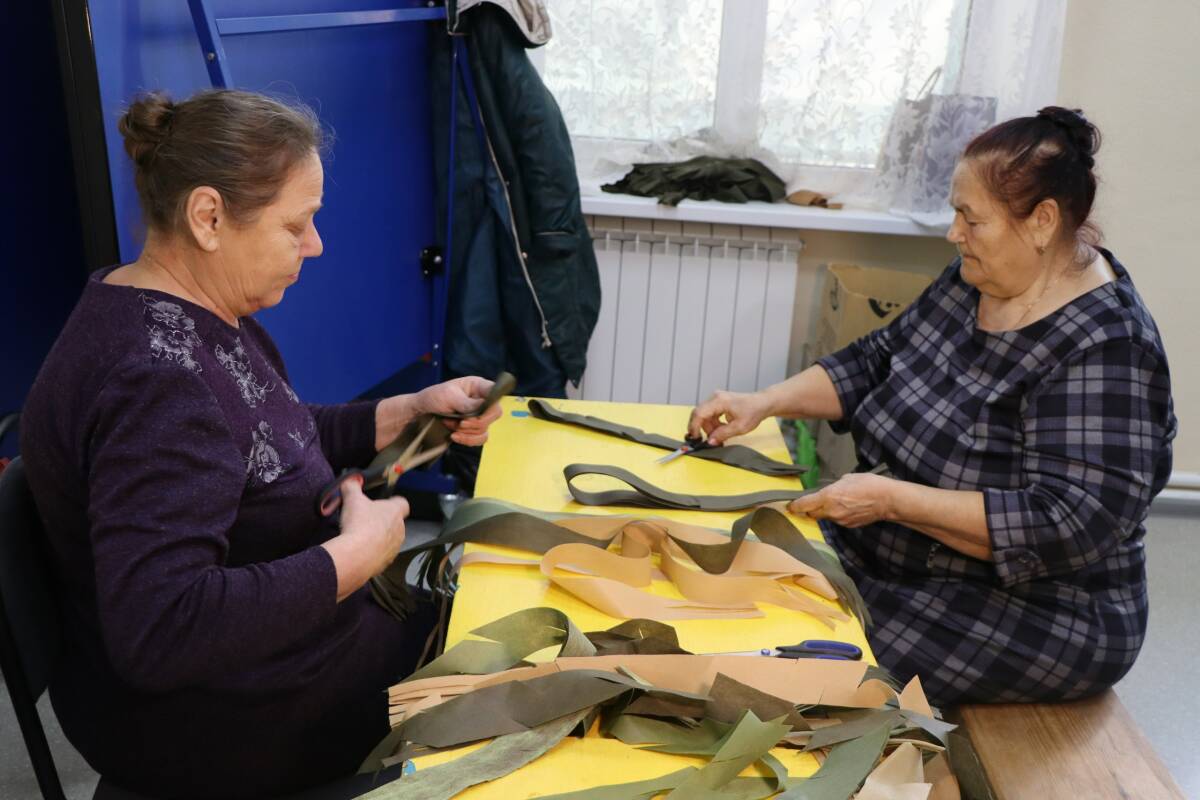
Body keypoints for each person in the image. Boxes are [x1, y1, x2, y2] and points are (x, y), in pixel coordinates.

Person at [19, 89, 501, 798]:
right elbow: (161, 629)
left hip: (269, 675)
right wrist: (354, 557)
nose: (315, 244)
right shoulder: (156, 382)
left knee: (498, 608)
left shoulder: (165, 309)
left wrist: (407, 412)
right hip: (225, 724)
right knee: (524, 684)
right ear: (208, 217)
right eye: (296, 224)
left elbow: (266, 438)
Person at [690, 107, 1176, 706]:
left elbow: (1064, 524)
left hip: (1043, 609)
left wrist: (890, 499)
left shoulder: (1108, 346)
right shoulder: (976, 278)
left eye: (972, 218)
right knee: (740, 584)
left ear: (1042, 221)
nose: (954, 233)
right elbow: (877, 360)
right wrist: (763, 402)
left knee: (800, 654)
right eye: (956, 213)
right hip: (899, 557)